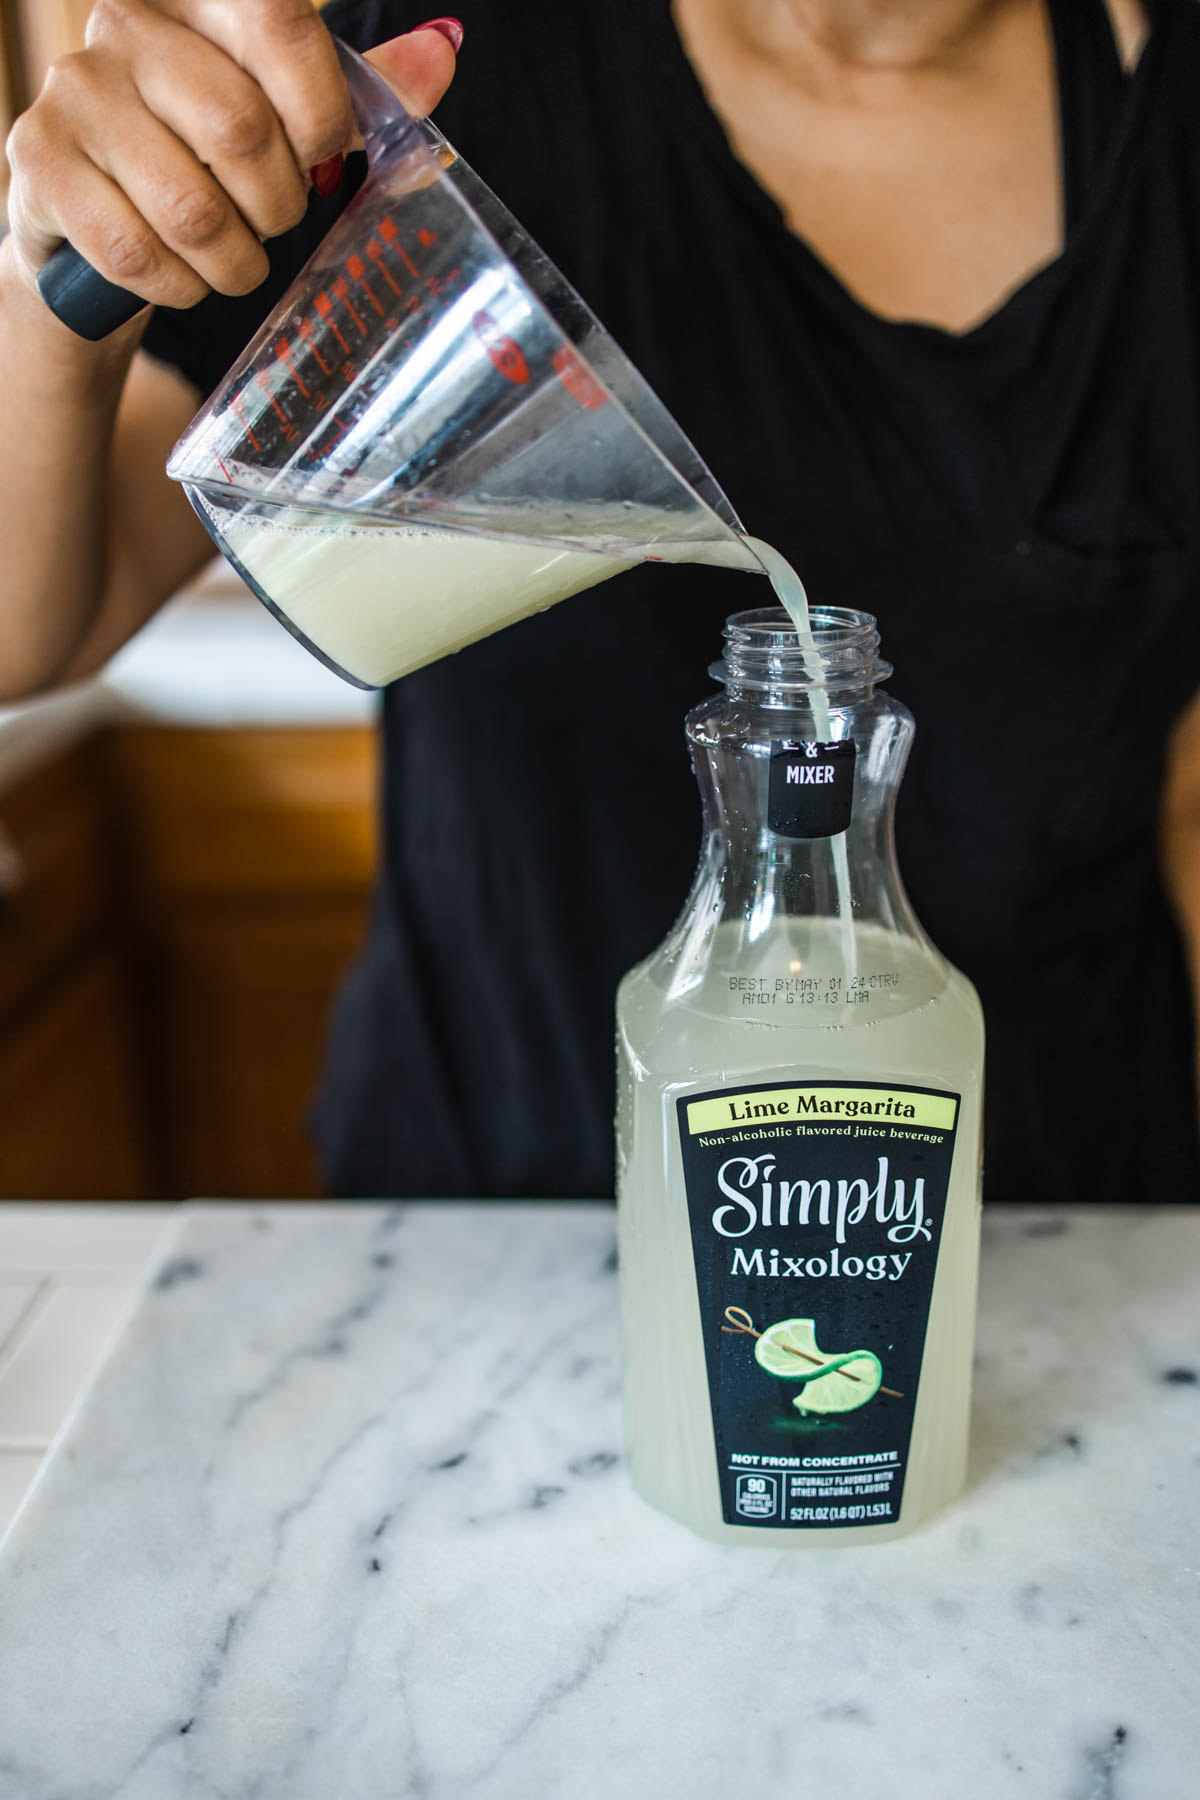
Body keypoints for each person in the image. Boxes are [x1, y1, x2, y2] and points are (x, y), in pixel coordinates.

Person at [3, 0, 1197, 1204]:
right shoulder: (428, 52)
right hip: (484, 1214)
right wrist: (55, 284)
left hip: (1044, 1217)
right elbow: (21, 635)